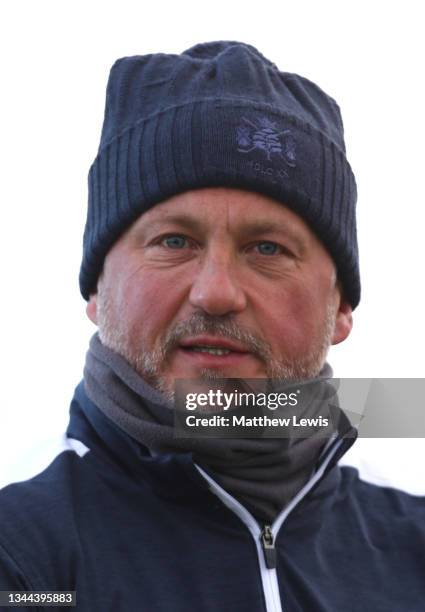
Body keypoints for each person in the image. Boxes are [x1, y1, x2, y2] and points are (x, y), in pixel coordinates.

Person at [0, 41, 423, 612]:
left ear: (341, 307)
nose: (216, 291)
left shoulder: (412, 545)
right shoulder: (22, 556)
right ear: (97, 290)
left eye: (267, 248)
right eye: (174, 241)